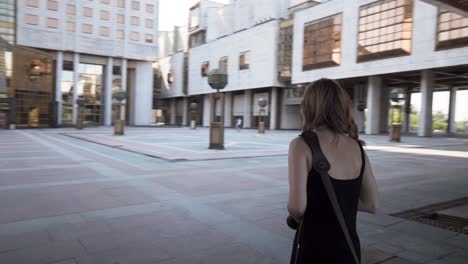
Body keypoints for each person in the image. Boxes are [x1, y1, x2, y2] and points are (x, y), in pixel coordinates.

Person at [287, 78, 379, 263]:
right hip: (348, 250)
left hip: (313, 250)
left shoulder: (301, 145)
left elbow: (297, 207)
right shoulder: (357, 147)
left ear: (309, 106)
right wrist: (342, 200)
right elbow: (372, 204)